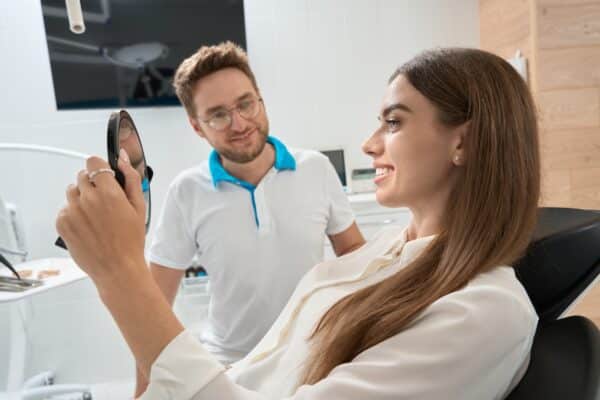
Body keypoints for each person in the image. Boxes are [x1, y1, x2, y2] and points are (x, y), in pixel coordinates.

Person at [56, 47, 541, 399]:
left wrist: (117, 273)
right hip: (221, 369)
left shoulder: (484, 314)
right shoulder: (393, 249)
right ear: (197, 127)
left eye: (393, 122)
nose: (370, 144)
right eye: (218, 115)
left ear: (464, 143)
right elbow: (164, 298)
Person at [138, 42, 365, 394]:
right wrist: (143, 392)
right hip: (230, 367)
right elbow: (151, 304)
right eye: (217, 114)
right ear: (197, 126)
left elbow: (356, 260)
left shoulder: (316, 170)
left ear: (260, 99)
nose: (239, 123)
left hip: (313, 356)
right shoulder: (187, 192)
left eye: (245, 104)